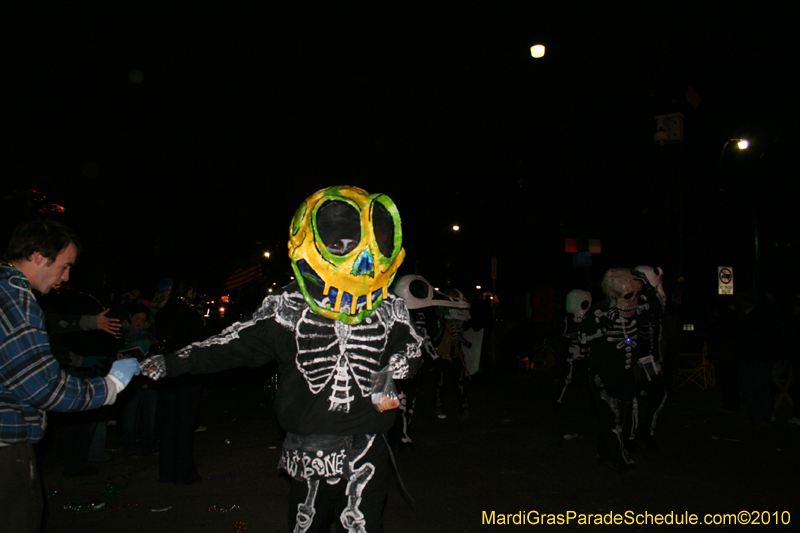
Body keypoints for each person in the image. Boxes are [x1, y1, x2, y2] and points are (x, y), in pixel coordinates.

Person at [141, 186, 423, 532]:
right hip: (311, 450)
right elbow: (231, 344)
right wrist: (172, 362)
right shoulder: (288, 306)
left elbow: (413, 349)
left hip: (368, 447)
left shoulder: (388, 308)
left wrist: (399, 363)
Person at [0, 219, 140, 533]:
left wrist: (89, 322)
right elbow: (44, 388)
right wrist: (111, 386)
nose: (66, 277)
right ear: (37, 255)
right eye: (64, 266)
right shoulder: (16, 298)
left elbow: (47, 327)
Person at [153, 279, 206, 482]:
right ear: (190, 291)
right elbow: (198, 344)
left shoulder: (163, 312)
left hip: (168, 373)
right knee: (184, 425)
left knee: (168, 424)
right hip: (186, 375)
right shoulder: (190, 314)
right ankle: (184, 471)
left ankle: (166, 471)